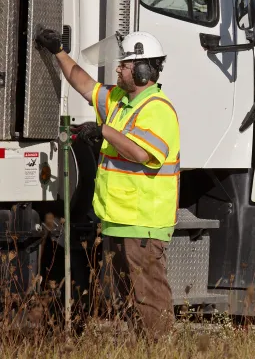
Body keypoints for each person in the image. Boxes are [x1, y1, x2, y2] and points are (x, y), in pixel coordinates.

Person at [35, 28, 180, 339]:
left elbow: (143, 153)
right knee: (130, 300)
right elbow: (84, 84)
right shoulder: (118, 100)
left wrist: (104, 133)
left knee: (149, 300)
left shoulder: (157, 109)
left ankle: (161, 350)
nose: (118, 69)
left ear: (144, 70)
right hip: (118, 221)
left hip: (142, 223)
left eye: (125, 65)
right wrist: (58, 51)